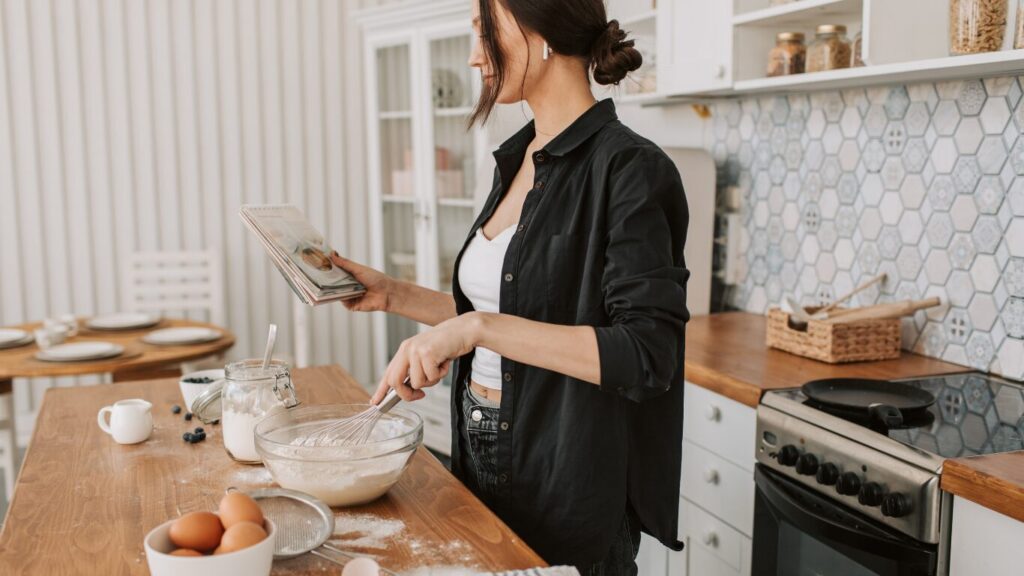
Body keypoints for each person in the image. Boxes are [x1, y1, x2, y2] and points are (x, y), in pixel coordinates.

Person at [333, 1, 689, 573]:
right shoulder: (520, 158)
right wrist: (393, 294)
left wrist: (476, 329)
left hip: (566, 468)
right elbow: (517, 307)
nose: (474, 57)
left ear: (540, 32)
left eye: (485, 33)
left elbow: (646, 355)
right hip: (478, 445)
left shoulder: (631, 170)